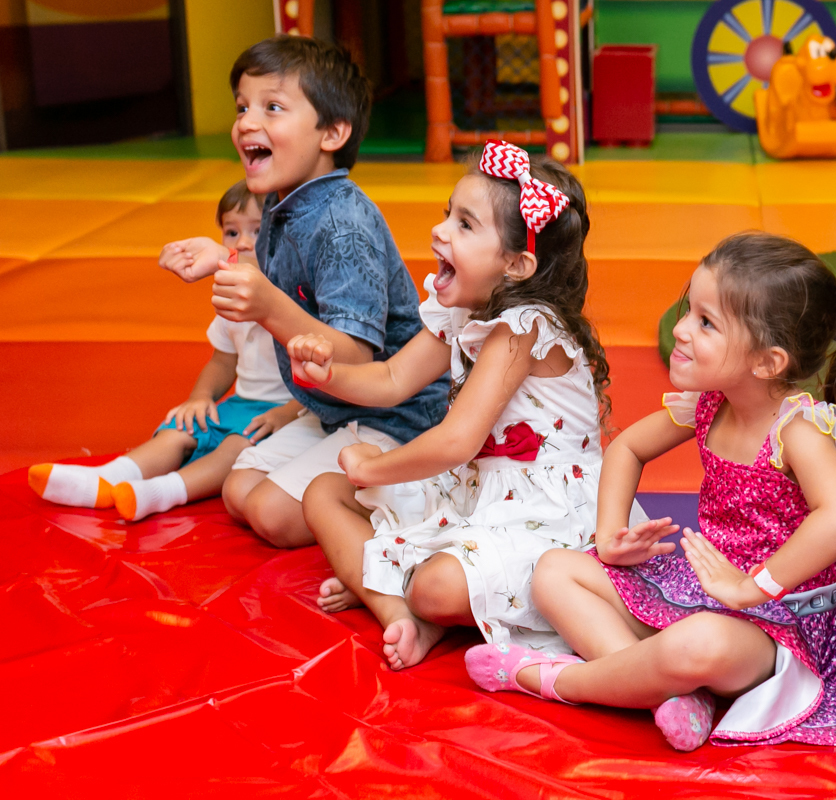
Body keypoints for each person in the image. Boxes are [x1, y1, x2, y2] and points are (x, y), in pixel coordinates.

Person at [465, 231, 836, 752]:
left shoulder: (798, 429)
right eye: (689, 309)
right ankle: (668, 695)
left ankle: (550, 679)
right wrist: (609, 534)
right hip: (702, 590)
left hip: (778, 624)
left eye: (706, 322)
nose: (680, 328)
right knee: (553, 571)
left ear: (767, 362)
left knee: (697, 644)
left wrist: (755, 587)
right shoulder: (710, 401)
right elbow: (627, 449)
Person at [289, 141, 627, 670]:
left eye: (465, 225)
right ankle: (397, 611)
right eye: (448, 213)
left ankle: (409, 600)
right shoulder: (459, 311)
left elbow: (456, 440)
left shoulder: (523, 327)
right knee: (325, 493)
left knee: (437, 586)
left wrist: (374, 466)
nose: (441, 230)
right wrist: (329, 375)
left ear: (516, 264)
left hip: (541, 512)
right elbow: (394, 376)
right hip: (473, 491)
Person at [159, 36, 447, 547]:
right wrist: (222, 257)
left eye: (272, 107)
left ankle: (422, 491)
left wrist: (267, 306)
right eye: (243, 107)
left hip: (397, 414)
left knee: (271, 514)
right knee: (238, 488)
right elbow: (287, 285)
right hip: (335, 409)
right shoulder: (281, 203)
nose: (247, 122)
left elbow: (355, 353)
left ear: (333, 132)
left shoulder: (341, 223)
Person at [29, 181, 301, 521]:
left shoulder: (295, 299)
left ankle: (164, 492)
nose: (243, 243)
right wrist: (200, 396)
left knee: (237, 446)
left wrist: (287, 413)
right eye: (231, 233)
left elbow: (318, 375)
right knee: (178, 430)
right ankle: (108, 476)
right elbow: (222, 361)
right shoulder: (231, 299)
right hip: (242, 404)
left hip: (287, 411)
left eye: (257, 231)